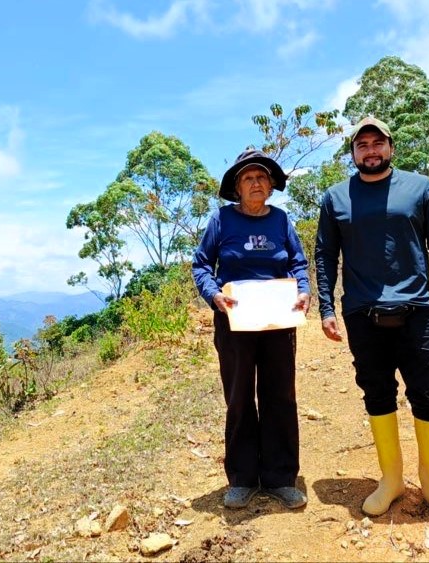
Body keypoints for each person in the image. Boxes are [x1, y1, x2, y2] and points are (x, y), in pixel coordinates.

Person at [314, 117, 429, 529]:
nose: (370, 150)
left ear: (391, 147)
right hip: (362, 313)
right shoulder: (335, 198)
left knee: (427, 393)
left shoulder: (420, 188)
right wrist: (326, 308)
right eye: (362, 144)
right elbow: (325, 255)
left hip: (417, 309)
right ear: (353, 153)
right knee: (377, 393)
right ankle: (392, 479)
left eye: (377, 142)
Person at [192, 149, 311, 510]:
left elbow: (298, 262)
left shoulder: (281, 220)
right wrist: (214, 295)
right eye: (248, 178)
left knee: (280, 395)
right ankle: (242, 479)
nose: (255, 183)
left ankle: (280, 478)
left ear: (270, 185)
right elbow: (201, 265)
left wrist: (303, 290)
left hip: (278, 321)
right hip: (235, 321)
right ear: (237, 187)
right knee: (239, 396)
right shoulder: (221, 220)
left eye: (261, 177)